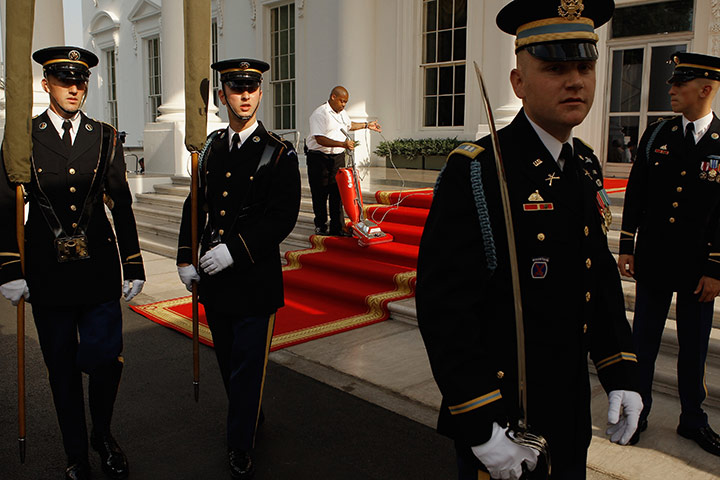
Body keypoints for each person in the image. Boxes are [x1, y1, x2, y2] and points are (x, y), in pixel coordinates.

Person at [416, 1, 642, 479]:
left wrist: (620, 371)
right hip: (504, 420)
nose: (575, 81)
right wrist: (480, 427)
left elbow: (596, 277)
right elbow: (444, 307)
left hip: (569, 414)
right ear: (518, 83)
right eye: (555, 68)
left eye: (584, 66)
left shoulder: (582, 164)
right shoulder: (477, 171)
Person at [0, 46, 145, 480]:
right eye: (65, 80)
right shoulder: (23, 136)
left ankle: (102, 433)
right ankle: (76, 452)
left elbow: (121, 203)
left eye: (80, 81)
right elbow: (6, 205)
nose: (74, 88)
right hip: (47, 268)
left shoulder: (103, 135)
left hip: (97, 265)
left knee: (106, 358)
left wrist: (134, 262)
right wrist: (9, 267)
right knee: (61, 368)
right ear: (46, 84)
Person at [176, 58, 301, 479]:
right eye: (235, 88)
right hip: (215, 280)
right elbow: (196, 203)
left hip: (253, 280)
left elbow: (281, 217)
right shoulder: (211, 147)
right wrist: (184, 255)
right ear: (223, 95)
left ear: (261, 93)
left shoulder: (279, 152)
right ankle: (250, 414)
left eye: (251, 88)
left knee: (248, 364)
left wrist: (235, 249)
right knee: (229, 362)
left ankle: (239, 442)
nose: (244, 96)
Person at [618, 52, 720, 456]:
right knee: (643, 340)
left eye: (680, 84)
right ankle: (637, 412)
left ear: (706, 89)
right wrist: (627, 245)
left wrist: (717, 268)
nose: (671, 89)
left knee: (694, 346)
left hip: (700, 267)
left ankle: (692, 419)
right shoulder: (657, 134)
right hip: (656, 259)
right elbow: (637, 191)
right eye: (673, 83)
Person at [305, 86, 381, 235]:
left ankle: (337, 227)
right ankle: (320, 225)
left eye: (346, 102)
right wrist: (343, 144)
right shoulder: (320, 113)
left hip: (338, 157)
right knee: (320, 193)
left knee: (337, 193)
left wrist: (367, 125)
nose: (344, 105)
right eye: (342, 101)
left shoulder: (342, 113)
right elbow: (319, 138)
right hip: (319, 157)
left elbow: (349, 125)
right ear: (333, 97)